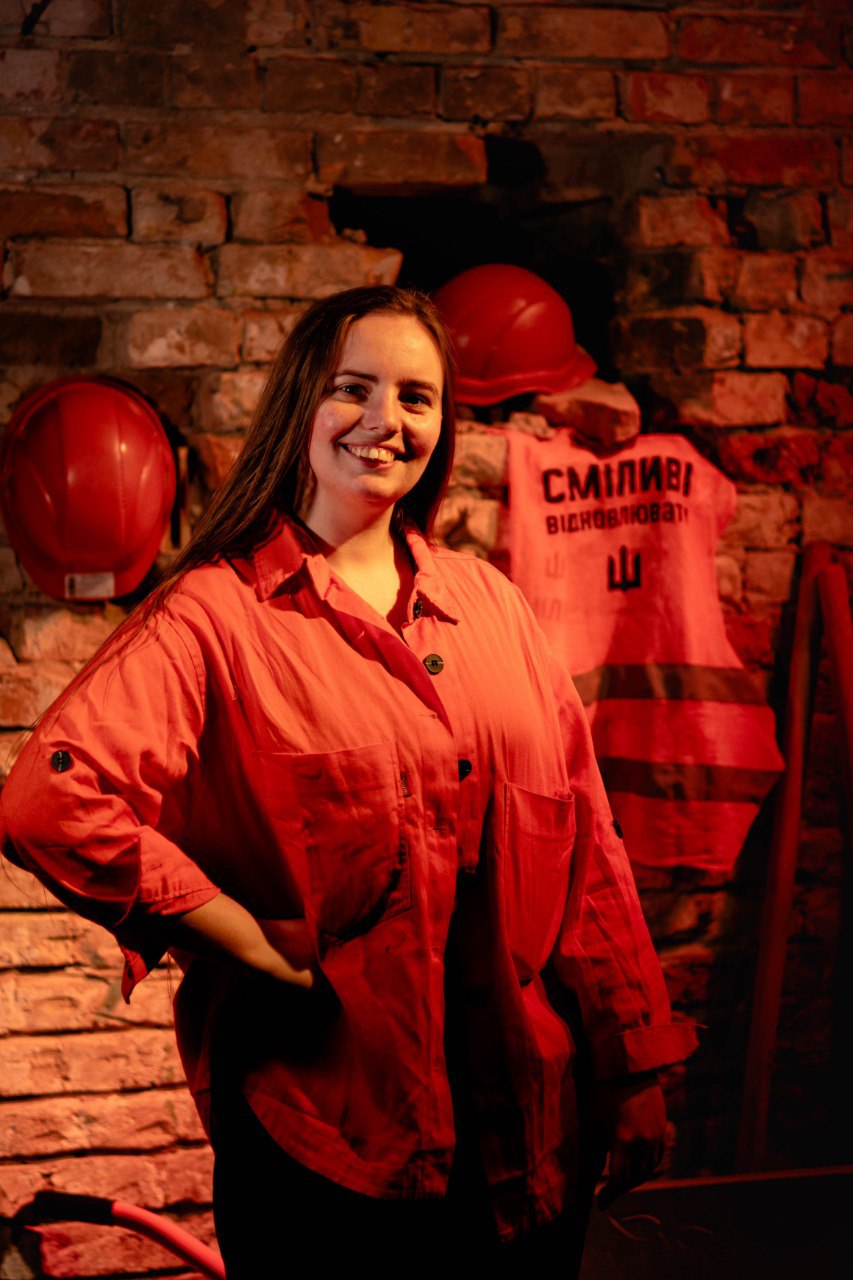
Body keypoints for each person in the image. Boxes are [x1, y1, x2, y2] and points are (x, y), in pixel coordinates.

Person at [0, 286, 696, 1277]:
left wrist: (634, 1071)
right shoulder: (215, 616)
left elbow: (585, 847)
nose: (386, 421)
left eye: (416, 396)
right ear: (299, 408)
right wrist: (234, 930)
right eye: (352, 389)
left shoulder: (488, 603)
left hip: (531, 1127)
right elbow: (49, 798)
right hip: (330, 1144)